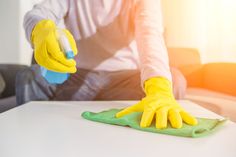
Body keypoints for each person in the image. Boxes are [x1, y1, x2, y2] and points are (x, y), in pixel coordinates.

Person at [17, 0, 197, 129]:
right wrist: (40, 29)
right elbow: (39, 13)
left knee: (176, 79)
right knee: (28, 77)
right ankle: (32, 136)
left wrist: (159, 86)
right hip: (77, 76)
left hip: (126, 79)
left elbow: (149, 31)